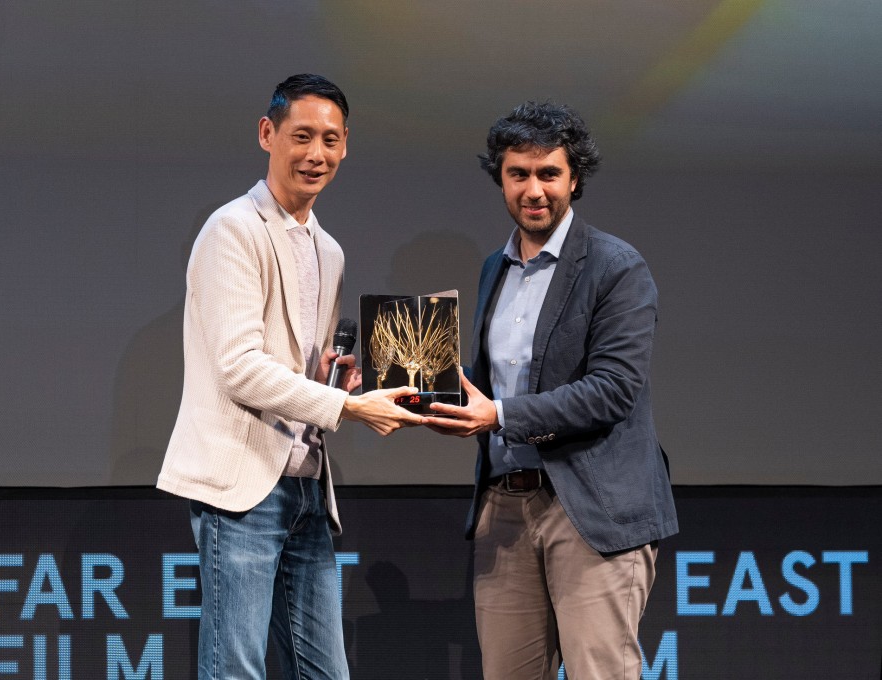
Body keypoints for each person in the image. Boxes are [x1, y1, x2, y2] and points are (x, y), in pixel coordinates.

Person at [157, 74, 424, 680]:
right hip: (242, 486)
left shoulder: (328, 250)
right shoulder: (232, 229)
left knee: (326, 671)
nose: (316, 154)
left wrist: (341, 381)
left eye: (330, 139)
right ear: (266, 133)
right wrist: (348, 411)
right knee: (237, 671)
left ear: (346, 145)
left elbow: (301, 366)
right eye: (301, 136)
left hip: (307, 485)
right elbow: (239, 369)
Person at [426, 101, 678, 679]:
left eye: (548, 174)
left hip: (592, 508)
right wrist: (411, 389)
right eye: (519, 174)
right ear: (502, 179)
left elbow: (613, 391)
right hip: (505, 507)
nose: (533, 189)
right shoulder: (495, 266)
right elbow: (491, 385)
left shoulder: (617, 267)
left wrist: (500, 417)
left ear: (574, 178)